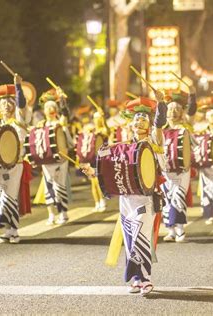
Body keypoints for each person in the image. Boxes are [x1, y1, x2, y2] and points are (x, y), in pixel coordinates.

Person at [80, 90, 167, 295]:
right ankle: (136, 279)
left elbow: (160, 123)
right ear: (131, 124)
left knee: (141, 236)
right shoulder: (123, 146)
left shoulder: (154, 141)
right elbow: (110, 169)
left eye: (144, 119)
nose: (140, 122)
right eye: (137, 119)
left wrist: (160, 103)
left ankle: (146, 278)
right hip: (126, 199)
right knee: (129, 241)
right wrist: (94, 172)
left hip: (146, 197)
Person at [0, 74, 30, 244]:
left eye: (8, 103)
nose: (5, 106)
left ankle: (15, 231)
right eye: (2, 103)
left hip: (14, 164)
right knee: (0, 197)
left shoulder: (19, 120)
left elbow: (22, 105)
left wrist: (17, 87)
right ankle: (7, 230)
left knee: (11, 196)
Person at [161, 87, 197, 242]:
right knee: (166, 199)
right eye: (170, 109)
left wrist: (192, 95)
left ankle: (181, 229)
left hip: (182, 170)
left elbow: (192, 110)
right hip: (165, 171)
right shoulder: (160, 131)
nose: (173, 112)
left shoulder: (186, 127)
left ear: (182, 112)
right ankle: (170, 230)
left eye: (177, 109)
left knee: (178, 197)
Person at [37, 88, 74, 225]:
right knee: (48, 187)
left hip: (61, 159)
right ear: (44, 111)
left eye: (53, 107)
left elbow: (65, 114)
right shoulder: (42, 125)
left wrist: (63, 100)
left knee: (59, 186)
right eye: (48, 108)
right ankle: (51, 215)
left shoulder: (60, 123)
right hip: (47, 161)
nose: (51, 109)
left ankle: (63, 213)